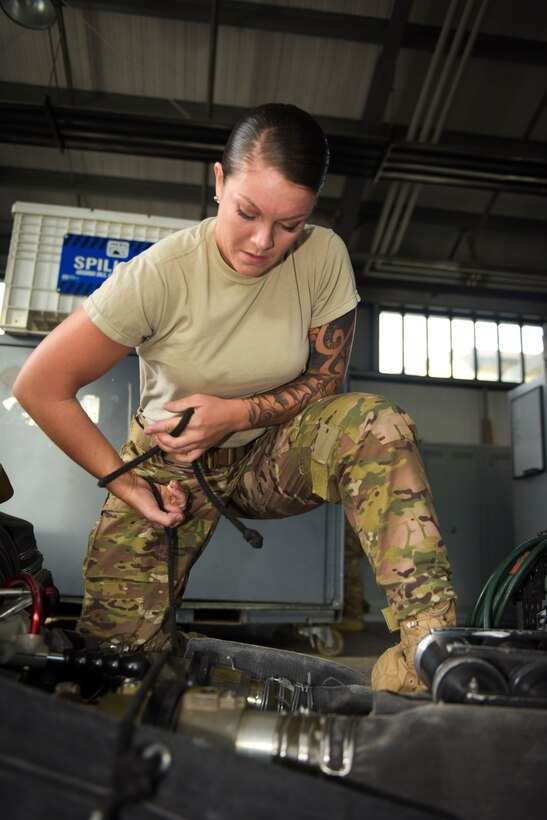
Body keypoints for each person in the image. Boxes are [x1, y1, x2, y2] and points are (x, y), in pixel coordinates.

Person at [13, 103, 456, 692]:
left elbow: (326, 381)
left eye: (289, 224)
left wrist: (236, 413)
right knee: (115, 661)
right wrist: (125, 483)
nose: (263, 241)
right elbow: (40, 386)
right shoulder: (159, 275)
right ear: (219, 181)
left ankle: (429, 659)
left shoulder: (323, 256)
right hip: (174, 468)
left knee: (376, 424)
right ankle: (152, 664)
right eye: (248, 213)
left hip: (272, 453)